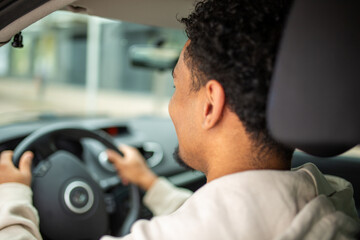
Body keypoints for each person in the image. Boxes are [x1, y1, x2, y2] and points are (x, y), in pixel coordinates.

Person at [0, 0, 360, 239]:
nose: (171, 106)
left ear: (209, 105)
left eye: (176, 86)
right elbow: (227, 215)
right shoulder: (328, 196)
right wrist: (150, 185)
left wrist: (12, 193)